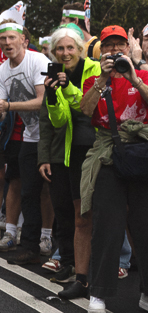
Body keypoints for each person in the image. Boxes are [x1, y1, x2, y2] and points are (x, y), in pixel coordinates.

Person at [78, 24, 148, 313]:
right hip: (107, 152)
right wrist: (103, 79)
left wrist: (133, 77)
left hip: (139, 152)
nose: (114, 50)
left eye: (119, 45)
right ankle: (99, 293)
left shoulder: (141, 74)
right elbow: (85, 110)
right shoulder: (94, 78)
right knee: (107, 225)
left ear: (129, 49)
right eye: (108, 46)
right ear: (100, 50)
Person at [37, 23, 100, 289]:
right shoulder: (54, 73)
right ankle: (70, 263)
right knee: (65, 210)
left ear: (80, 48)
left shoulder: (94, 69)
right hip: (67, 151)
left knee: (88, 212)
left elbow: (88, 106)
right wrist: (52, 95)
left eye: (70, 47)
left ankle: (95, 267)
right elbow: (57, 120)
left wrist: (68, 88)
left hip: (95, 148)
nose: (65, 53)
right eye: (60, 48)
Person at [0, 14, 48, 265]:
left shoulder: (37, 60)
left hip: (54, 135)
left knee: (52, 192)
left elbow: (43, 101)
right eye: (2, 39)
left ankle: (52, 243)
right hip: (30, 136)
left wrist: (9, 104)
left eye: (11, 38)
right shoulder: (3, 70)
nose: (6, 43)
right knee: (28, 191)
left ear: (23, 41)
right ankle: (29, 247)